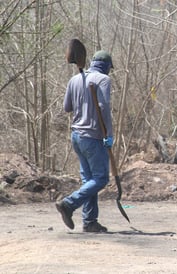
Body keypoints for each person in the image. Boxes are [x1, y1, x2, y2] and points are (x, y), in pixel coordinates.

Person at [56, 50, 114, 232]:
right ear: (106, 66)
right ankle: (69, 203)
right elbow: (104, 107)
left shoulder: (75, 79)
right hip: (93, 136)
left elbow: (67, 107)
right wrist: (109, 134)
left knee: (89, 180)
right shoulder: (103, 80)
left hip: (76, 136)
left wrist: (81, 100)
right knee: (101, 178)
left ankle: (89, 222)